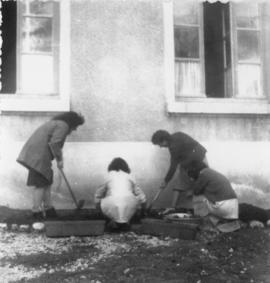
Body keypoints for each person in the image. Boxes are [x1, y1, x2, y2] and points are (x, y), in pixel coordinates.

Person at [17, 111, 85, 220]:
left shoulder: (56, 123)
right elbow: (54, 143)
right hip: (38, 157)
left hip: (37, 155)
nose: (75, 129)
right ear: (72, 122)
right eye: (75, 126)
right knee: (41, 184)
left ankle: (49, 209)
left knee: (46, 182)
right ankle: (36, 212)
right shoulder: (63, 125)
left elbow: (53, 143)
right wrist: (60, 159)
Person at [151, 129, 208, 212]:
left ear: (164, 140)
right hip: (191, 159)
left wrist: (166, 181)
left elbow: (173, 166)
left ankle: (202, 208)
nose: (160, 146)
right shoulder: (177, 135)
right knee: (179, 181)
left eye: (159, 144)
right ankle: (173, 207)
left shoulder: (173, 146)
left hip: (198, 160)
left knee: (203, 182)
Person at [95, 157, 147, 231]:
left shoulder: (108, 176)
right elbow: (142, 197)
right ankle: (125, 221)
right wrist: (143, 211)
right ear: (125, 167)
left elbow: (98, 195)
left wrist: (99, 212)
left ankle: (112, 221)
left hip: (112, 204)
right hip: (130, 204)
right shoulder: (130, 176)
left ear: (111, 167)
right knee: (132, 201)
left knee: (102, 200)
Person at [186, 160, 240, 232]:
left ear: (194, 170)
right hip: (233, 206)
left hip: (224, 206)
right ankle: (224, 223)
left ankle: (204, 222)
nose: (191, 178)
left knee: (200, 197)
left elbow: (196, 191)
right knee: (207, 196)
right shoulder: (211, 172)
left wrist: (191, 187)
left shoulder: (204, 173)